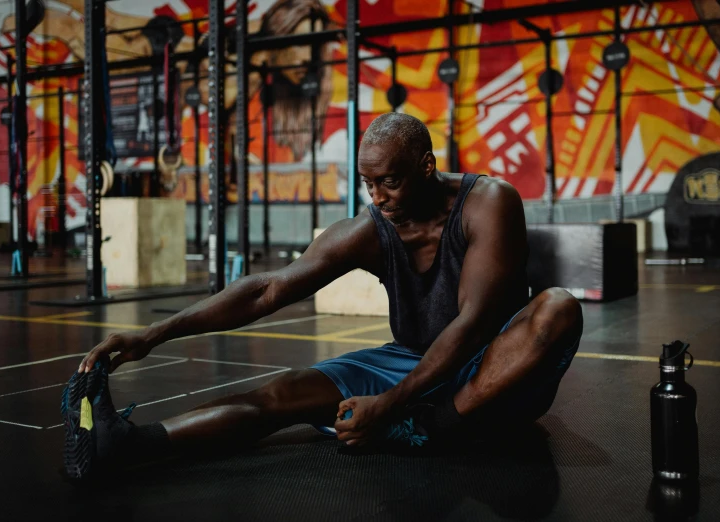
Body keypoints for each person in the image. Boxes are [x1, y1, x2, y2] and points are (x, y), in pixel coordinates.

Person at [61, 113, 583, 480]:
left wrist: (389, 406)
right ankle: (131, 444)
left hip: (492, 376)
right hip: (417, 363)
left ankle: (432, 426)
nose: (378, 198)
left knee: (558, 306)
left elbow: (471, 324)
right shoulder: (371, 227)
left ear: (427, 166)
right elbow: (268, 290)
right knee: (284, 392)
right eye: (368, 184)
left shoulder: (488, 203)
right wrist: (156, 333)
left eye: (391, 182)